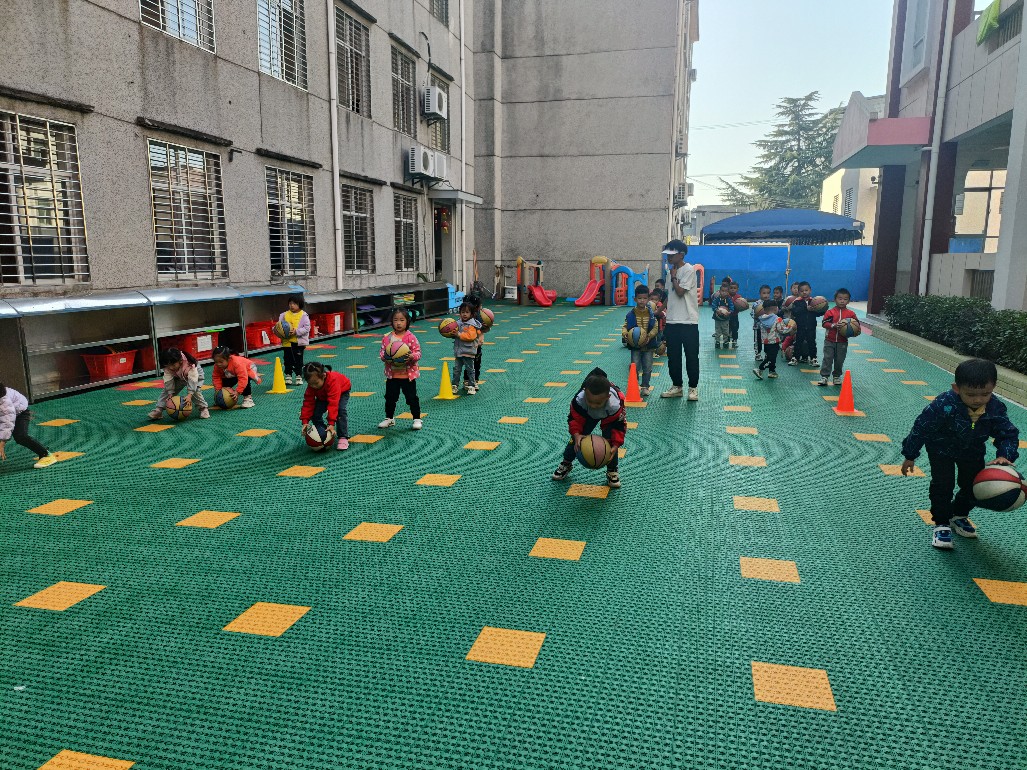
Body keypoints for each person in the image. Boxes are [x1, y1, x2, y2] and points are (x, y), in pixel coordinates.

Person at [901, 359, 1019, 550]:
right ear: (956, 388)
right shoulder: (944, 404)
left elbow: (1007, 433)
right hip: (941, 450)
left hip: (972, 450)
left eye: (985, 394)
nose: (978, 399)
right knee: (943, 485)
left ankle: (959, 514)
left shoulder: (995, 407)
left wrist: (1005, 455)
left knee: (973, 486)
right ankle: (941, 523)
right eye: (971, 394)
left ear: (993, 387)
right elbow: (921, 427)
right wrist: (910, 454)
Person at [551, 367, 627, 488]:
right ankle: (566, 463)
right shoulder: (579, 400)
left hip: (609, 416)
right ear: (585, 392)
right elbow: (574, 419)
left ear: (607, 397)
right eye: (590, 401)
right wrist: (576, 434)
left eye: (597, 403)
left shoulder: (615, 405)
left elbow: (619, 426)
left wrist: (616, 444)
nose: (593, 405)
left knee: (611, 443)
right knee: (576, 440)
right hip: (587, 415)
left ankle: (612, 470)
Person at [659, 239, 700, 400]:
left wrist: (674, 277)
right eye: (667, 255)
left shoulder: (689, 270)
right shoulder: (671, 273)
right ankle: (677, 387)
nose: (668, 257)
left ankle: (693, 388)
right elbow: (670, 296)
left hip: (688, 321)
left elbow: (680, 292)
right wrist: (659, 311)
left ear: (681, 255)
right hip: (672, 322)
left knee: (691, 356)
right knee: (673, 357)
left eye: (672, 254)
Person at [378, 308, 423, 430]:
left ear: (407, 321)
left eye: (402, 320)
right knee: (390, 398)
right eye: (396, 320)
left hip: (407, 376)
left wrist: (412, 356)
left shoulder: (411, 337)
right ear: (392, 322)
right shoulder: (387, 338)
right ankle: (389, 418)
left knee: (412, 398)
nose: (398, 323)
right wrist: (385, 357)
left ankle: (417, 419)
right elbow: (382, 352)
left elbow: (418, 353)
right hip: (392, 375)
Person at [0, 382, 56, 469]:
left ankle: (46, 454)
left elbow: (7, 421)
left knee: (20, 436)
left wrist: (3, 442)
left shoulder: (4, 402)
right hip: (5, 414)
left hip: (20, 412)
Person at [300, 361, 352, 451]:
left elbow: (333, 403)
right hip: (323, 395)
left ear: (324, 376)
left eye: (316, 383)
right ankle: (322, 431)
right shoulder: (312, 386)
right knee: (315, 412)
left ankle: (343, 437)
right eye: (310, 384)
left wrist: (331, 423)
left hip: (341, 391)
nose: (313, 386)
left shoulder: (333, 381)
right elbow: (308, 403)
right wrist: (305, 421)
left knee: (340, 410)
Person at [149, 348, 209, 420]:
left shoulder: (189, 364)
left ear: (180, 361)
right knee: (166, 392)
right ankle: (159, 410)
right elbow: (168, 380)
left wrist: (189, 395)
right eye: (168, 365)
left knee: (195, 392)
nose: (171, 367)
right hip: (179, 377)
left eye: (173, 365)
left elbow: (193, 379)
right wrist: (170, 393)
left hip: (196, 377)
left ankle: (203, 408)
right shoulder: (168, 366)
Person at [622, 284, 660, 396]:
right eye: (639, 298)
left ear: (648, 299)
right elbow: (625, 326)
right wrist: (625, 334)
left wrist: (649, 336)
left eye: (644, 298)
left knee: (647, 367)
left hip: (648, 346)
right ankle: (635, 385)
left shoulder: (651, 314)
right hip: (635, 346)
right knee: (635, 366)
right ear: (635, 299)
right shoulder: (631, 314)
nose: (642, 301)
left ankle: (645, 386)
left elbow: (656, 327)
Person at [818, 289, 860, 386]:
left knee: (840, 360)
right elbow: (824, 323)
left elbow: (857, 325)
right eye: (840, 298)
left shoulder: (851, 314)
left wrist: (856, 331)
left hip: (842, 341)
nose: (842, 301)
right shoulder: (830, 312)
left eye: (845, 299)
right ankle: (824, 376)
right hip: (829, 340)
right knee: (827, 358)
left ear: (848, 301)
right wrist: (834, 325)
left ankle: (836, 376)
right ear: (835, 299)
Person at [277, 295, 311, 385]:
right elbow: (278, 326)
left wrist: (296, 331)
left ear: (300, 304)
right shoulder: (284, 315)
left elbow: (306, 328)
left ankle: (298, 375)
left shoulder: (304, 315)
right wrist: (277, 331)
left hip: (298, 343)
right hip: (287, 343)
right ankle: (288, 375)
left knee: (298, 360)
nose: (292, 305)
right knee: (287, 360)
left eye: (294, 304)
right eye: (290, 303)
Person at [789, 281, 825, 366]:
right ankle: (795, 358)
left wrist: (822, 309)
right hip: (800, 327)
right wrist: (806, 308)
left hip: (811, 327)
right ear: (798, 292)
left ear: (810, 291)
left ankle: (813, 358)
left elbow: (818, 314)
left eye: (806, 290)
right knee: (798, 342)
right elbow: (795, 312)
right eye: (802, 291)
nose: (804, 292)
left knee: (812, 343)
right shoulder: (797, 302)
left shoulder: (814, 301)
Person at [452, 301, 482, 395]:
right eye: (463, 312)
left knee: (470, 370)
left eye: (467, 312)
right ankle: (454, 385)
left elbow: (470, 337)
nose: (464, 314)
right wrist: (451, 333)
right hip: (459, 352)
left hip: (468, 352)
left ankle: (472, 385)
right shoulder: (457, 323)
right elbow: (454, 334)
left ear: (471, 314)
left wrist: (459, 334)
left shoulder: (472, 325)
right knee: (456, 370)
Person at [751, 300, 784, 380]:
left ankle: (772, 371)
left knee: (770, 357)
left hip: (766, 342)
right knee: (770, 358)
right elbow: (781, 330)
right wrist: (790, 328)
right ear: (776, 308)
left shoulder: (762, 319)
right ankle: (760, 369)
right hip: (774, 341)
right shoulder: (777, 319)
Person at [462, 293, 486, 389]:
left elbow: (482, 329)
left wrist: (481, 336)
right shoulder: (466, 317)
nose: (481, 307)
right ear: (476, 306)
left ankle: (474, 381)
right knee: (469, 363)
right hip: (468, 344)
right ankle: (467, 381)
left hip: (476, 344)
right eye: (480, 305)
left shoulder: (479, 315)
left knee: (476, 362)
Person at [709, 284, 735, 350]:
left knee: (725, 330)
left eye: (726, 291)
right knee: (718, 331)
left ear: (728, 292)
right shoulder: (717, 299)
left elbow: (732, 307)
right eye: (722, 291)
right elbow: (713, 305)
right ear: (719, 291)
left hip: (725, 319)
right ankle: (717, 342)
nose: (724, 292)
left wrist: (729, 312)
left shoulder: (729, 300)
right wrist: (716, 310)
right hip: (717, 318)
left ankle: (725, 342)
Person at [752, 284, 772, 361]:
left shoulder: (771, 303)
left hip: (768, 327)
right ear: (760, 294)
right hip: (758, 326)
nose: (766, 295)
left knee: (768, 341)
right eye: (764, 293)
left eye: (768, 293)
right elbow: (752, 314)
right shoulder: (756, 304)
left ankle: (767, 354)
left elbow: (774, 313)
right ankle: (758, 354)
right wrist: (758, 314)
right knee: (758, 341)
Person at [728, 280, 743, 349]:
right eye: (731, 288)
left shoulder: (739, 297)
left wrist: (742, 306)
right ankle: (727, 340)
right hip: (727, 316)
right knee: (727, 329)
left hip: (734, 316)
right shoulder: (726, 296)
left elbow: (742, 306)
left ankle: (734, 340)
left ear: (737, 289)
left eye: (734, 288)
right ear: (728, 288)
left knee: (735, 329)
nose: (733, 289)